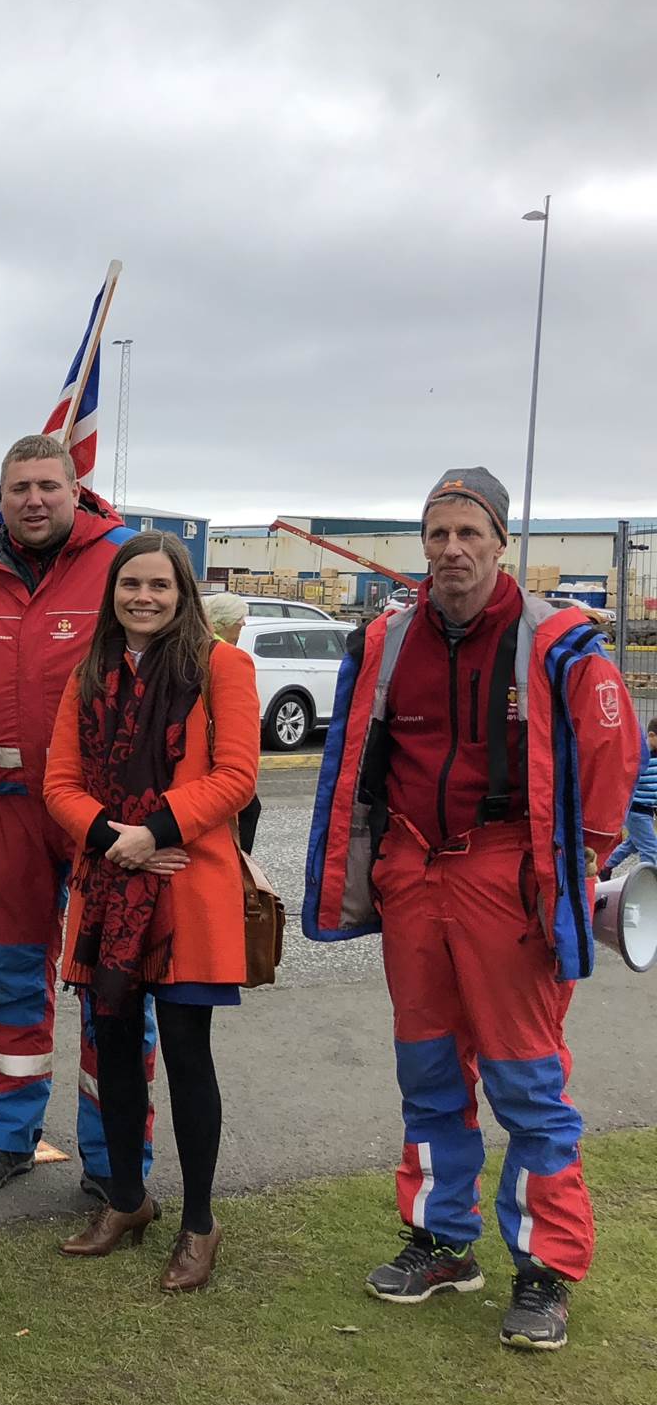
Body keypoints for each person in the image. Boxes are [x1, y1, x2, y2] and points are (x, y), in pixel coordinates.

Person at [305, 468, 641, 1351]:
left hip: (508, 873)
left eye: (468, 533)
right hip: (413, 868)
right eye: (437, 532)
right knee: (427, 1070)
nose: (452, 549)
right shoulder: (389, 636)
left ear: (500, 541)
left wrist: (583, 862)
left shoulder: (558, 640)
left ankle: (546, 1267)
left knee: (527, 1079)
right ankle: (442, 1240)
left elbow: (614, 754)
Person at [0, 434, 154, 1200]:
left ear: (76, 489)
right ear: (1, 496)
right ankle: (8, 1137)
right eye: (19, 488)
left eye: (48, 484)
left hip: (101, 816)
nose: (34, 499)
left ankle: (113, 1160)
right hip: (10, 811)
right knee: (12, 979)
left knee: (114, 989)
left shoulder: (123, 561)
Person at [44, 533, 257, 1290]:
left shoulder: (222, 667)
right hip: (108, 891)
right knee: (111, 1043)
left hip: (188, 891)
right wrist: (117, 840)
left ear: (183, 592)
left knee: (187, 1055)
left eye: (160, 585)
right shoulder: (89, 674)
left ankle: (200, 1221)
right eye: (131, 583)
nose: (144, 596)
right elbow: (59, 783)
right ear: (113, 592)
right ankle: (128, 1200)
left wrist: (153, 831)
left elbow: (235, 776)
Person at [202, 591, 262, 853]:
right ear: (224, 623)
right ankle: (239, 865)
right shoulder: (226, 656)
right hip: (215, 751)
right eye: (240, 620)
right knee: (245, 807)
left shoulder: (195, 645)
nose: (244, 625)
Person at [600, 719, 657, 879]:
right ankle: (648, 883)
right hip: (635, 810)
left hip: (647, 809)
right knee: (651, 849)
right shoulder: (639, 756)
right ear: (651, 736)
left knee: (631, 844)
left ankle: (605, 868)